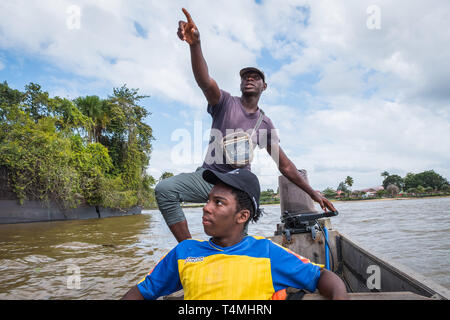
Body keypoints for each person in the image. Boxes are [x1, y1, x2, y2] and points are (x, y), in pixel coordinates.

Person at [155, 8, 336, 243]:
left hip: (239, 183)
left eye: (255, 77)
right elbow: (204, 81)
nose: (249, 79)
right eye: (245, 77)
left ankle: (236, 252)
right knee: (165, 190)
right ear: (240, 84)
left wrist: (314, 194)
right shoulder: (225, 102)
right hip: (209, 178)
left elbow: (286, 167)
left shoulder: (265, 124)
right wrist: (195, 44)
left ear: (264, 86)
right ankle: (189, 248)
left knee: (236, 239)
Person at [122, 169, 348, 300]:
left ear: (242, 216)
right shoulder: (185, 252)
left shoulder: (267, 252)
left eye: (218, 202)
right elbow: (142, 291)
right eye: (208, 200)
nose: (206, 207)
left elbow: (323, 277)